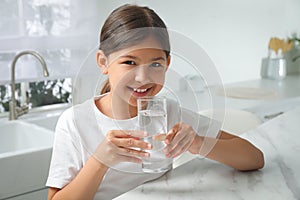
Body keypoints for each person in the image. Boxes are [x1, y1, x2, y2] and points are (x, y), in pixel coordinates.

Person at [46, 4, 264, 200]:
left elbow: (254, 159)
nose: (143, 77)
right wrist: (99, 162)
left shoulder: (167, 112)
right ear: (103, 62)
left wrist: (198, 143)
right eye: (129, 62)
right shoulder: (74, 122)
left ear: (167, 63)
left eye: (155, 64)